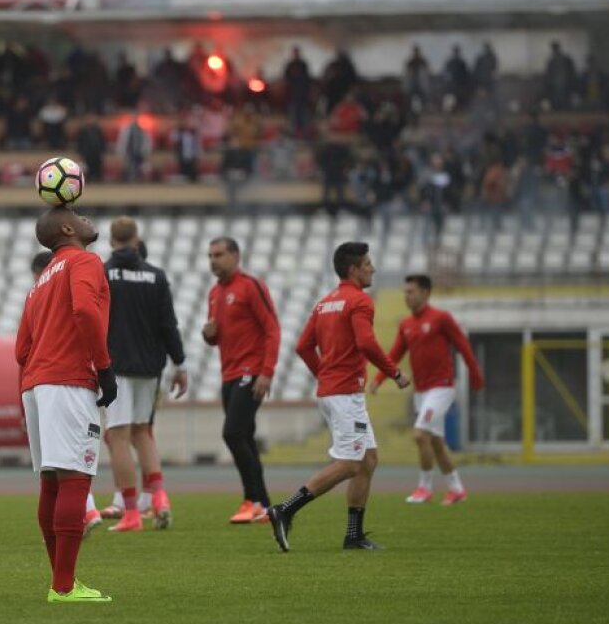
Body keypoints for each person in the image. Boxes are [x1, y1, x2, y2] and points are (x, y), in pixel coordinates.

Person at [268, 242, 409, 552]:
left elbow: (303, 346)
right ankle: (285, 510)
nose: (373, 269)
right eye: (368, 264)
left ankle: (353, 535)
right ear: (353, 269)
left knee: (368, 460)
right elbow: (366, 343)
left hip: (334, 391)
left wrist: (324, 374)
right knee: (349, 464)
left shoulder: (325, 303)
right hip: (344, 395)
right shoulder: (360, 301)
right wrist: (395, 373)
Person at [16, 207, 116, 602]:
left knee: (51, 483)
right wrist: (104, 368)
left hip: (36, 384)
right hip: (68, 380)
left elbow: (21, 348)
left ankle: (62, 581)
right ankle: (63, 586)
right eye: (79, 214)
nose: (87, 218)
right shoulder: (84, 261)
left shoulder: (40, 281)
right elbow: (85, 310)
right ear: (68, 228)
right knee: (76, 476)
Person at [98, 217, 187, 533]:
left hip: (117, 366)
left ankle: (132, 513)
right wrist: (180, 364)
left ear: (112, 241)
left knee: (118, 436)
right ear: (137, 240)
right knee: (143, 432)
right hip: (151, 367)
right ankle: (160, 498)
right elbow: (168, 324)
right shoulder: (156, 275)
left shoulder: (103, 274)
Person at [372, 274, 483, 506]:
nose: (406, 296)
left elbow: (463, 345)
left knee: (420, 434)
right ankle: (456, 489)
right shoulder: (406, 324)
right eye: (405, 292)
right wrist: (380, 378)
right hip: (421, 392)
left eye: (410, 292)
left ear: (425, 292)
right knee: (435, 443)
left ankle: (424, 488)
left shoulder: (441, 318)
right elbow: (395, 354)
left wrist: (475, 373)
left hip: (441, 387)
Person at [202, 237, 280, 523]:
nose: (213, 260)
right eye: (210, 255)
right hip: (229, 374)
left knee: (232, 433)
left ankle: (253, 499)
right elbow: (217, 336)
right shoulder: (214, 293)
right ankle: (264, 506)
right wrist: (209, 336)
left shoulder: (250, 286)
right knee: (244, 436)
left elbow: (272, 329)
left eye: (219, 254)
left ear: (235, 256)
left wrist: (267, 372)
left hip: (251, 371)